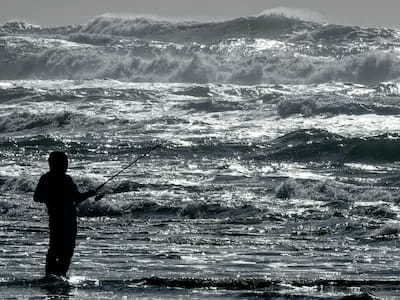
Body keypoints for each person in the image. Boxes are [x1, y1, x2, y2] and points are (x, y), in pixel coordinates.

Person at [34, 151, 96, 278]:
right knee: (62, 249)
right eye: (64, 163)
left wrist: (89, 194)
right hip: (64, 219)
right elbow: (37, 197)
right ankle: (56, 275)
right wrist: (88, 194)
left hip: (61, 218)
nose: (66, 165)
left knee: (60, 248)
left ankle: (54, 275)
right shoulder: (61, 179)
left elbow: (37, 197)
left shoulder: (48, 178)